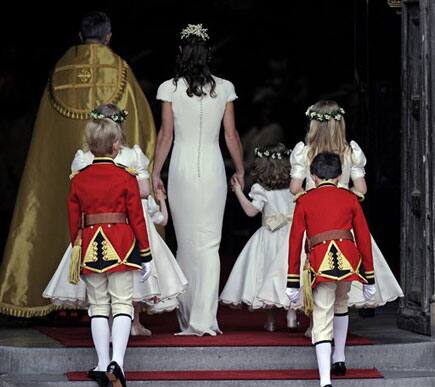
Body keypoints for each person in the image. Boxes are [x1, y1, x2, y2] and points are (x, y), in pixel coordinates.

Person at [0, 11, 156, 318]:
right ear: (108, 37)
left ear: (81, 36)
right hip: (112, 178)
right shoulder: (120, 70)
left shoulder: (61, 70)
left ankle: (58, 300)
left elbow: (45, 132)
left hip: (68, 170)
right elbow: (143, 124)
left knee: (58, 212)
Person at [43, 104, 187, 336]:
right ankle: (127, 322)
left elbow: (143, 189)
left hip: (119, 216)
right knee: (126, 272)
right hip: (119, 217)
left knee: (124, 273)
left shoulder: (128, 154)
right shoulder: (86, 158)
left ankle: (129, 321)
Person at [152, 24, 244, 336]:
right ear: (208, 55)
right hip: (214, 167)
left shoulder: (169, 88)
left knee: (187, 244)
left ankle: (188, 316)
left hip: (181, 168)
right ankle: (205, 319)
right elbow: (231, 135)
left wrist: (154, 172)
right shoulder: (225, 87)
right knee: (209, 245)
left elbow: (166, 135)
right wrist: (241, 170)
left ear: (181, 53)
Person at [68, 115, 153, 387]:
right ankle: (118, 362)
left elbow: (73, 219)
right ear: (115, 146)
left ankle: (103, 362)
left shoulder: (79, 179)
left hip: (91, 245)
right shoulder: (125, 176)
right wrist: (147, 254)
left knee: (98, 307)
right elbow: (137, 218)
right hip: (122, 244)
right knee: (122, 304)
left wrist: (76, 249)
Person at [289, 100, 403, 309]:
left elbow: (295, 188)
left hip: (314, 220)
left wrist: (312, 195)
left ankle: (316, 323)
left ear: (313, 125)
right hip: (342, 222)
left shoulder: (303, 153)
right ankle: (336, 316)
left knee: (311, 268)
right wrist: (345, 194)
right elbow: (362, 188)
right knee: (346, 271)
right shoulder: (350, 151)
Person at [286, 152, 376, 387]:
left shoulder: (305, 200)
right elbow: (364, 238)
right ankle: (340, 358)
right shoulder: (350, 197)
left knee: (322, 316)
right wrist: (369, 277)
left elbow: (295, 242)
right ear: (339, 177)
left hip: (320, 263)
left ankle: (326, 384)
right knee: (342, 303)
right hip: (348, 261)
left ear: (313, 177)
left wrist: (292, 280)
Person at [220, 143, 298, 331]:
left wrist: (238, 191)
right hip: (289, 236)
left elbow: (250, 211)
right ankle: (291, 315)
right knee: (288, 274)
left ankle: (270, 320)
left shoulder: (261, 189)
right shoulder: (293, 188)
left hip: (269, 236)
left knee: (266, 275)